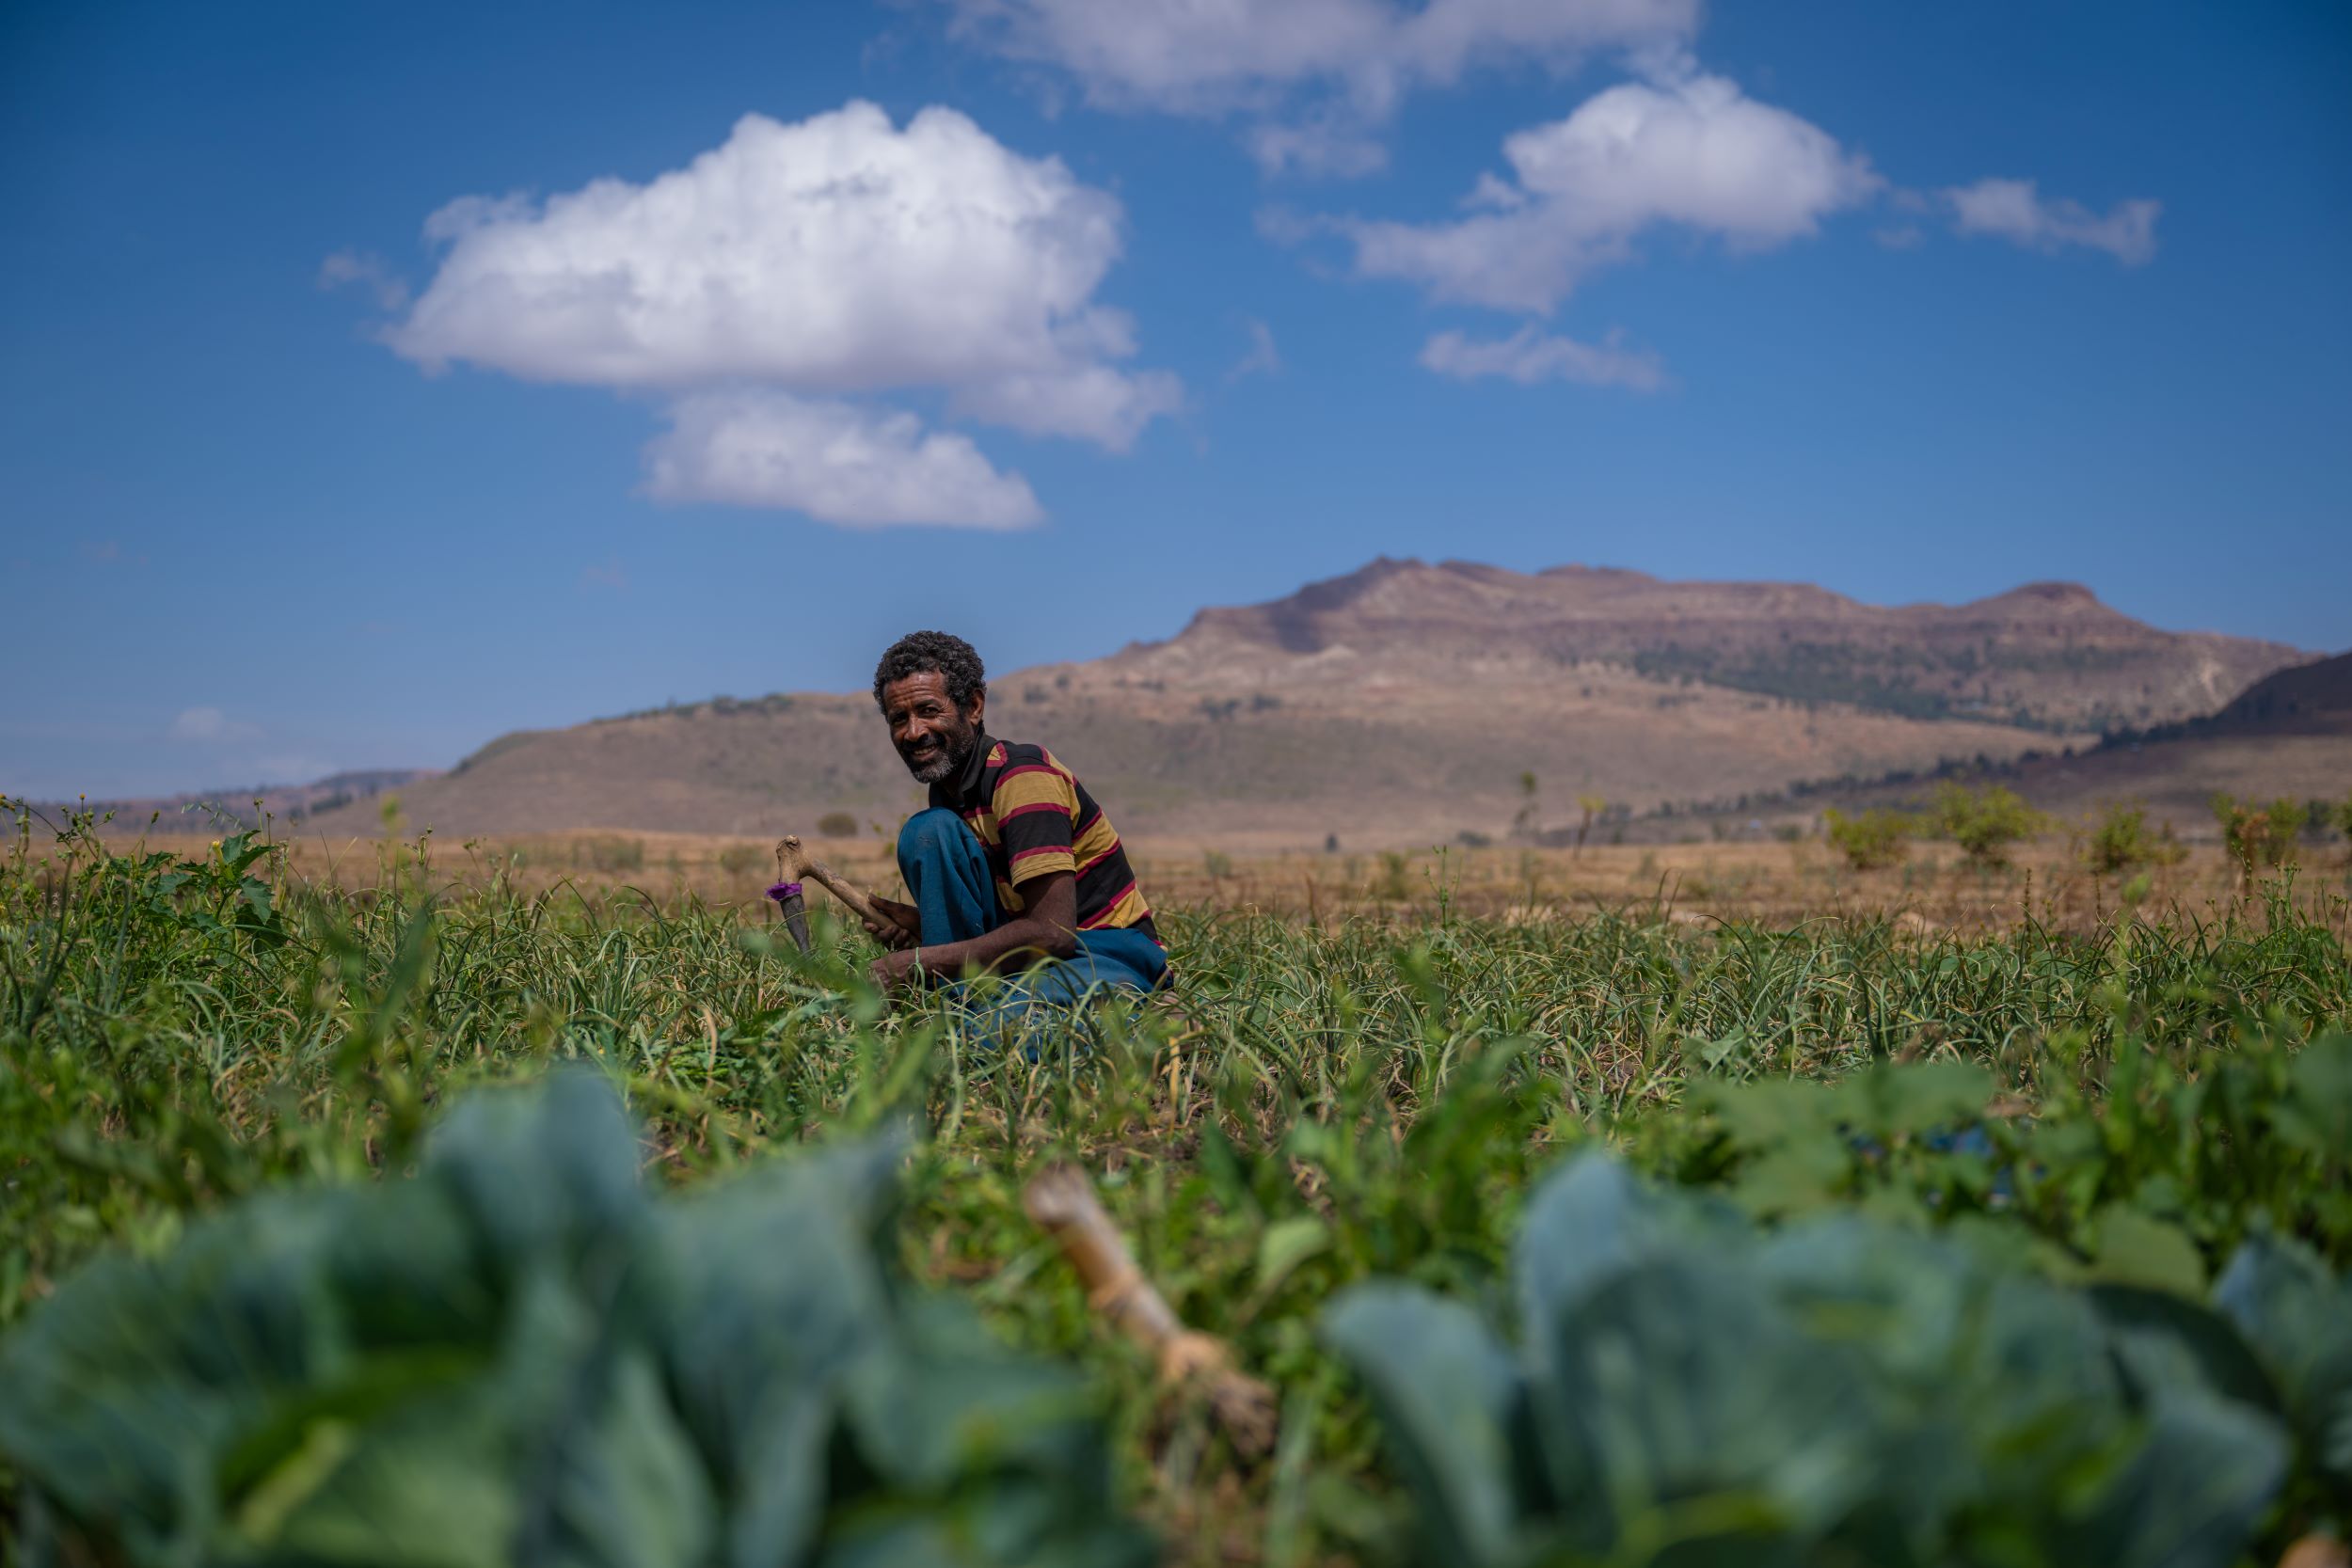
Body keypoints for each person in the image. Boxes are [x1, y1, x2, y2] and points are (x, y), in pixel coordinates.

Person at [858, 630, 1168, 1019]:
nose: (914, 732)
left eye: (928, 710)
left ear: (973, 706)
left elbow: (1053, 932)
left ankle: (1154, 1015)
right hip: (1037, 958)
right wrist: (925, 928)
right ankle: (960, 1011)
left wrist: (920, 962)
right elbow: (1013, 921)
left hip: (1105, 951)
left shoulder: (1022, 778)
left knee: (1002, 1032)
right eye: (898, 719)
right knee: (927, 830)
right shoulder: (948, 798)